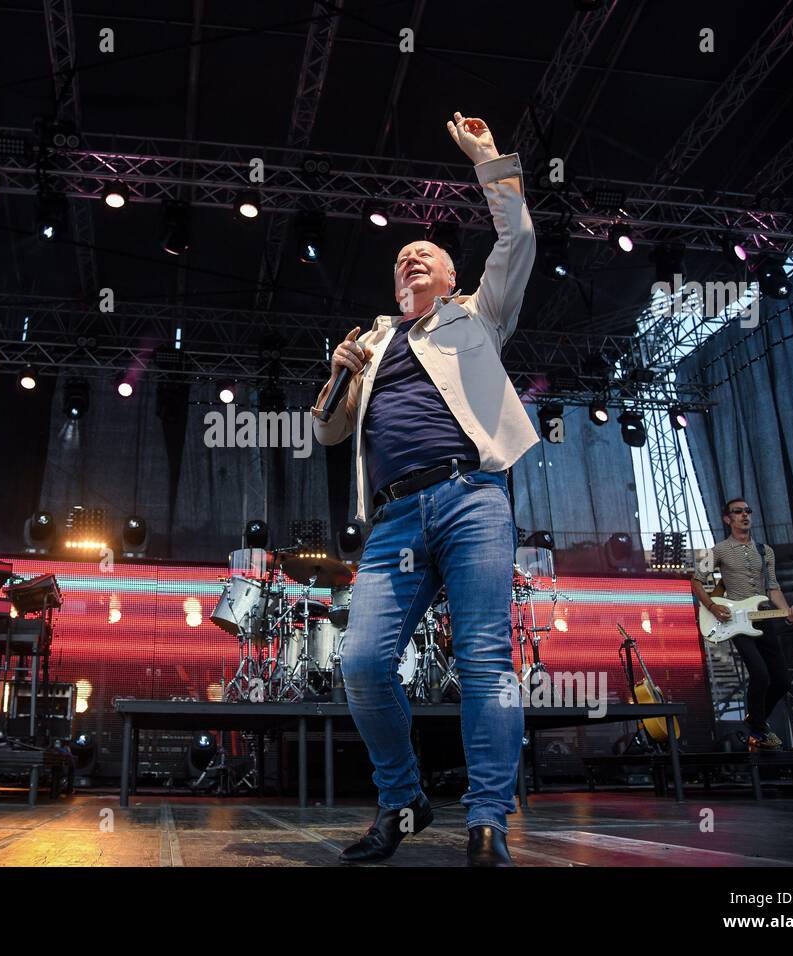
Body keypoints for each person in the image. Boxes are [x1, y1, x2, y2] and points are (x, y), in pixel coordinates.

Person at [311, 114, 536, 867]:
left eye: (424, 254)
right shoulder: (372, 343)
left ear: (446, 278)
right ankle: (403, 799)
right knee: (365, 663)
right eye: (401, 257)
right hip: (396, 517)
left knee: (483, 658)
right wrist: (338, 371)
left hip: (471, 496)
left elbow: (518, 241)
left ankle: (487, 821)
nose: (409, 258)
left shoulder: (479, 314)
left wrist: (486, 160)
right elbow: (329, 434)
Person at [691, 497, 793, 750]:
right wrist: (712, 606)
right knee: (760, 674)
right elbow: (696, 581)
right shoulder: (717, 550)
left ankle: (755, 718)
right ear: (727, 519)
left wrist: (787, 612)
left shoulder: (765, 551)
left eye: (748, 511)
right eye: (738, 512)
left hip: (763, 619)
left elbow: (772, 587)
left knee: (782, 681)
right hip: (737, 621)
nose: (745, 515)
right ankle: (759, 730)